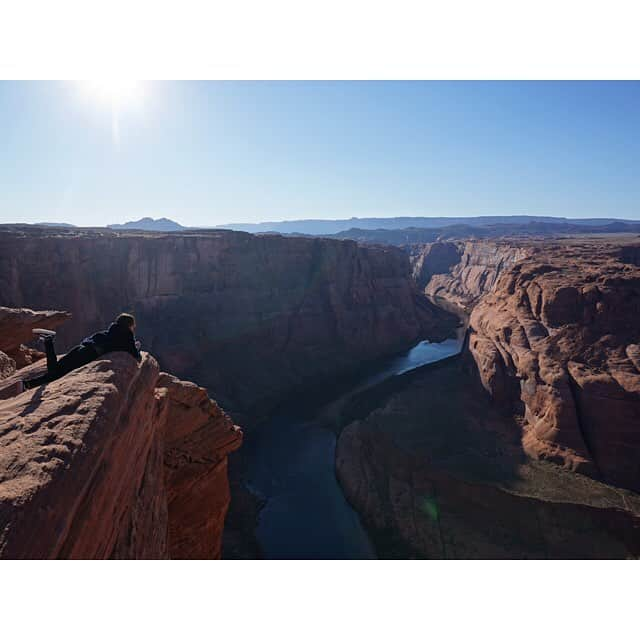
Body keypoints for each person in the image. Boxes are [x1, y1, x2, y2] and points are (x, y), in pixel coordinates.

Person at [22, 313, 142, 390]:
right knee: (56, 374)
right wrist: (136, 346)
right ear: (129, 326)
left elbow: (93, 338)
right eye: (133, 326)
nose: (133, 328)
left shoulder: (109, 331)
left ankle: (27, 384)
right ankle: (48, 341)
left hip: (81, 348)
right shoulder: (126, 335)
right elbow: (136, 356)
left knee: (55, 370)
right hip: (89, 354)